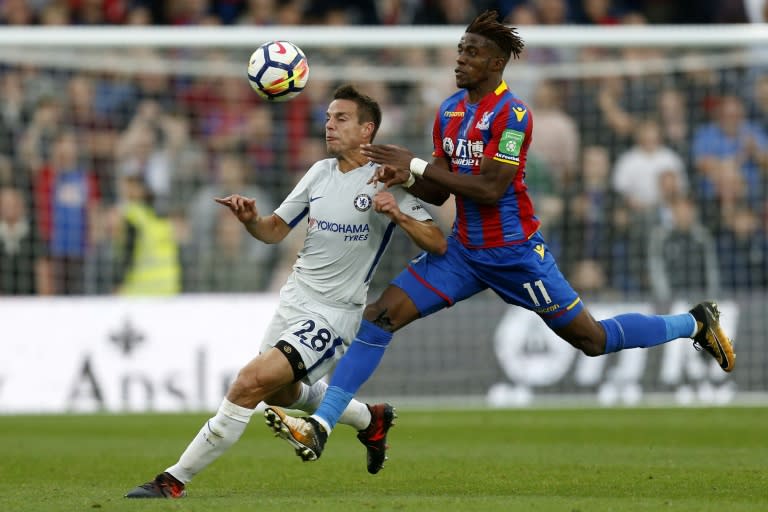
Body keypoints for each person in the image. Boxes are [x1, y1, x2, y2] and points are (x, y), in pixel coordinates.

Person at [265, 10, 736, 464]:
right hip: (464, 254)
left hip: (515, 254)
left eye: (470, 53)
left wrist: (413, 165)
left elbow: (490, 188)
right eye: (459, 50)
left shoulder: (514, 115)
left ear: (495, 63)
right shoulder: (449, 111)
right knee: (380, 317)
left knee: (592, 340)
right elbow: (438, 188)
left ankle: (694, 323)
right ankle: (322, 425)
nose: (459, 59)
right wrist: (404, 177)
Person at [124, 84, 447, 498]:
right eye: (328, 117)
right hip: (294, 300)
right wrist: (250, 220)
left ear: (368, 130)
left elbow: (437, 243)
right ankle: (370, 419)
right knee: (281, 391)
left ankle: (172, 480)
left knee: (248, 382)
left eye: (341, 118)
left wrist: (398, 213)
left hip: (334, 312)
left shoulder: (389, 179)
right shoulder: (318, 173)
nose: (329, 125)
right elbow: (274, 231)